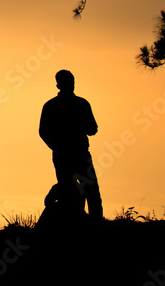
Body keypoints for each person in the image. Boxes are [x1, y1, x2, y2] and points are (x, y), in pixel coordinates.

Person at [39, 70, 103, 221]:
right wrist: (56, 146)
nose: (71, 84)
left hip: (74, 154)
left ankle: (93, 225)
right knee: (78, 192)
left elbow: (92, 129)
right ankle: (83, 224)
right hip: (70, 155)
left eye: (72, 81)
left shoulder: (54, 105)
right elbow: (43, 131)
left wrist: (56, 146)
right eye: (69, 82)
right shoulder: (78, 104)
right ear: (59, 85)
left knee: (86, 191)